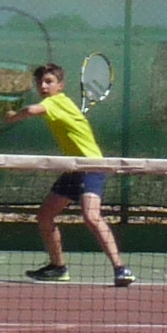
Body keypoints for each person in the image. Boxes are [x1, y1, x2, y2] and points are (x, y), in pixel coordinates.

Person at [16, 60, 131, 283]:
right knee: (45, 216)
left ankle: (121, 269)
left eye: (49, 81)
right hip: (74, 168)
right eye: (40, 82)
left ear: (60, 86)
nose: (43, 86)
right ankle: (58, 267)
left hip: (91, 166)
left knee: (91, 216)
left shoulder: (56, 101)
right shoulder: (61, 104)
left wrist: (11, 116)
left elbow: (31, 110)